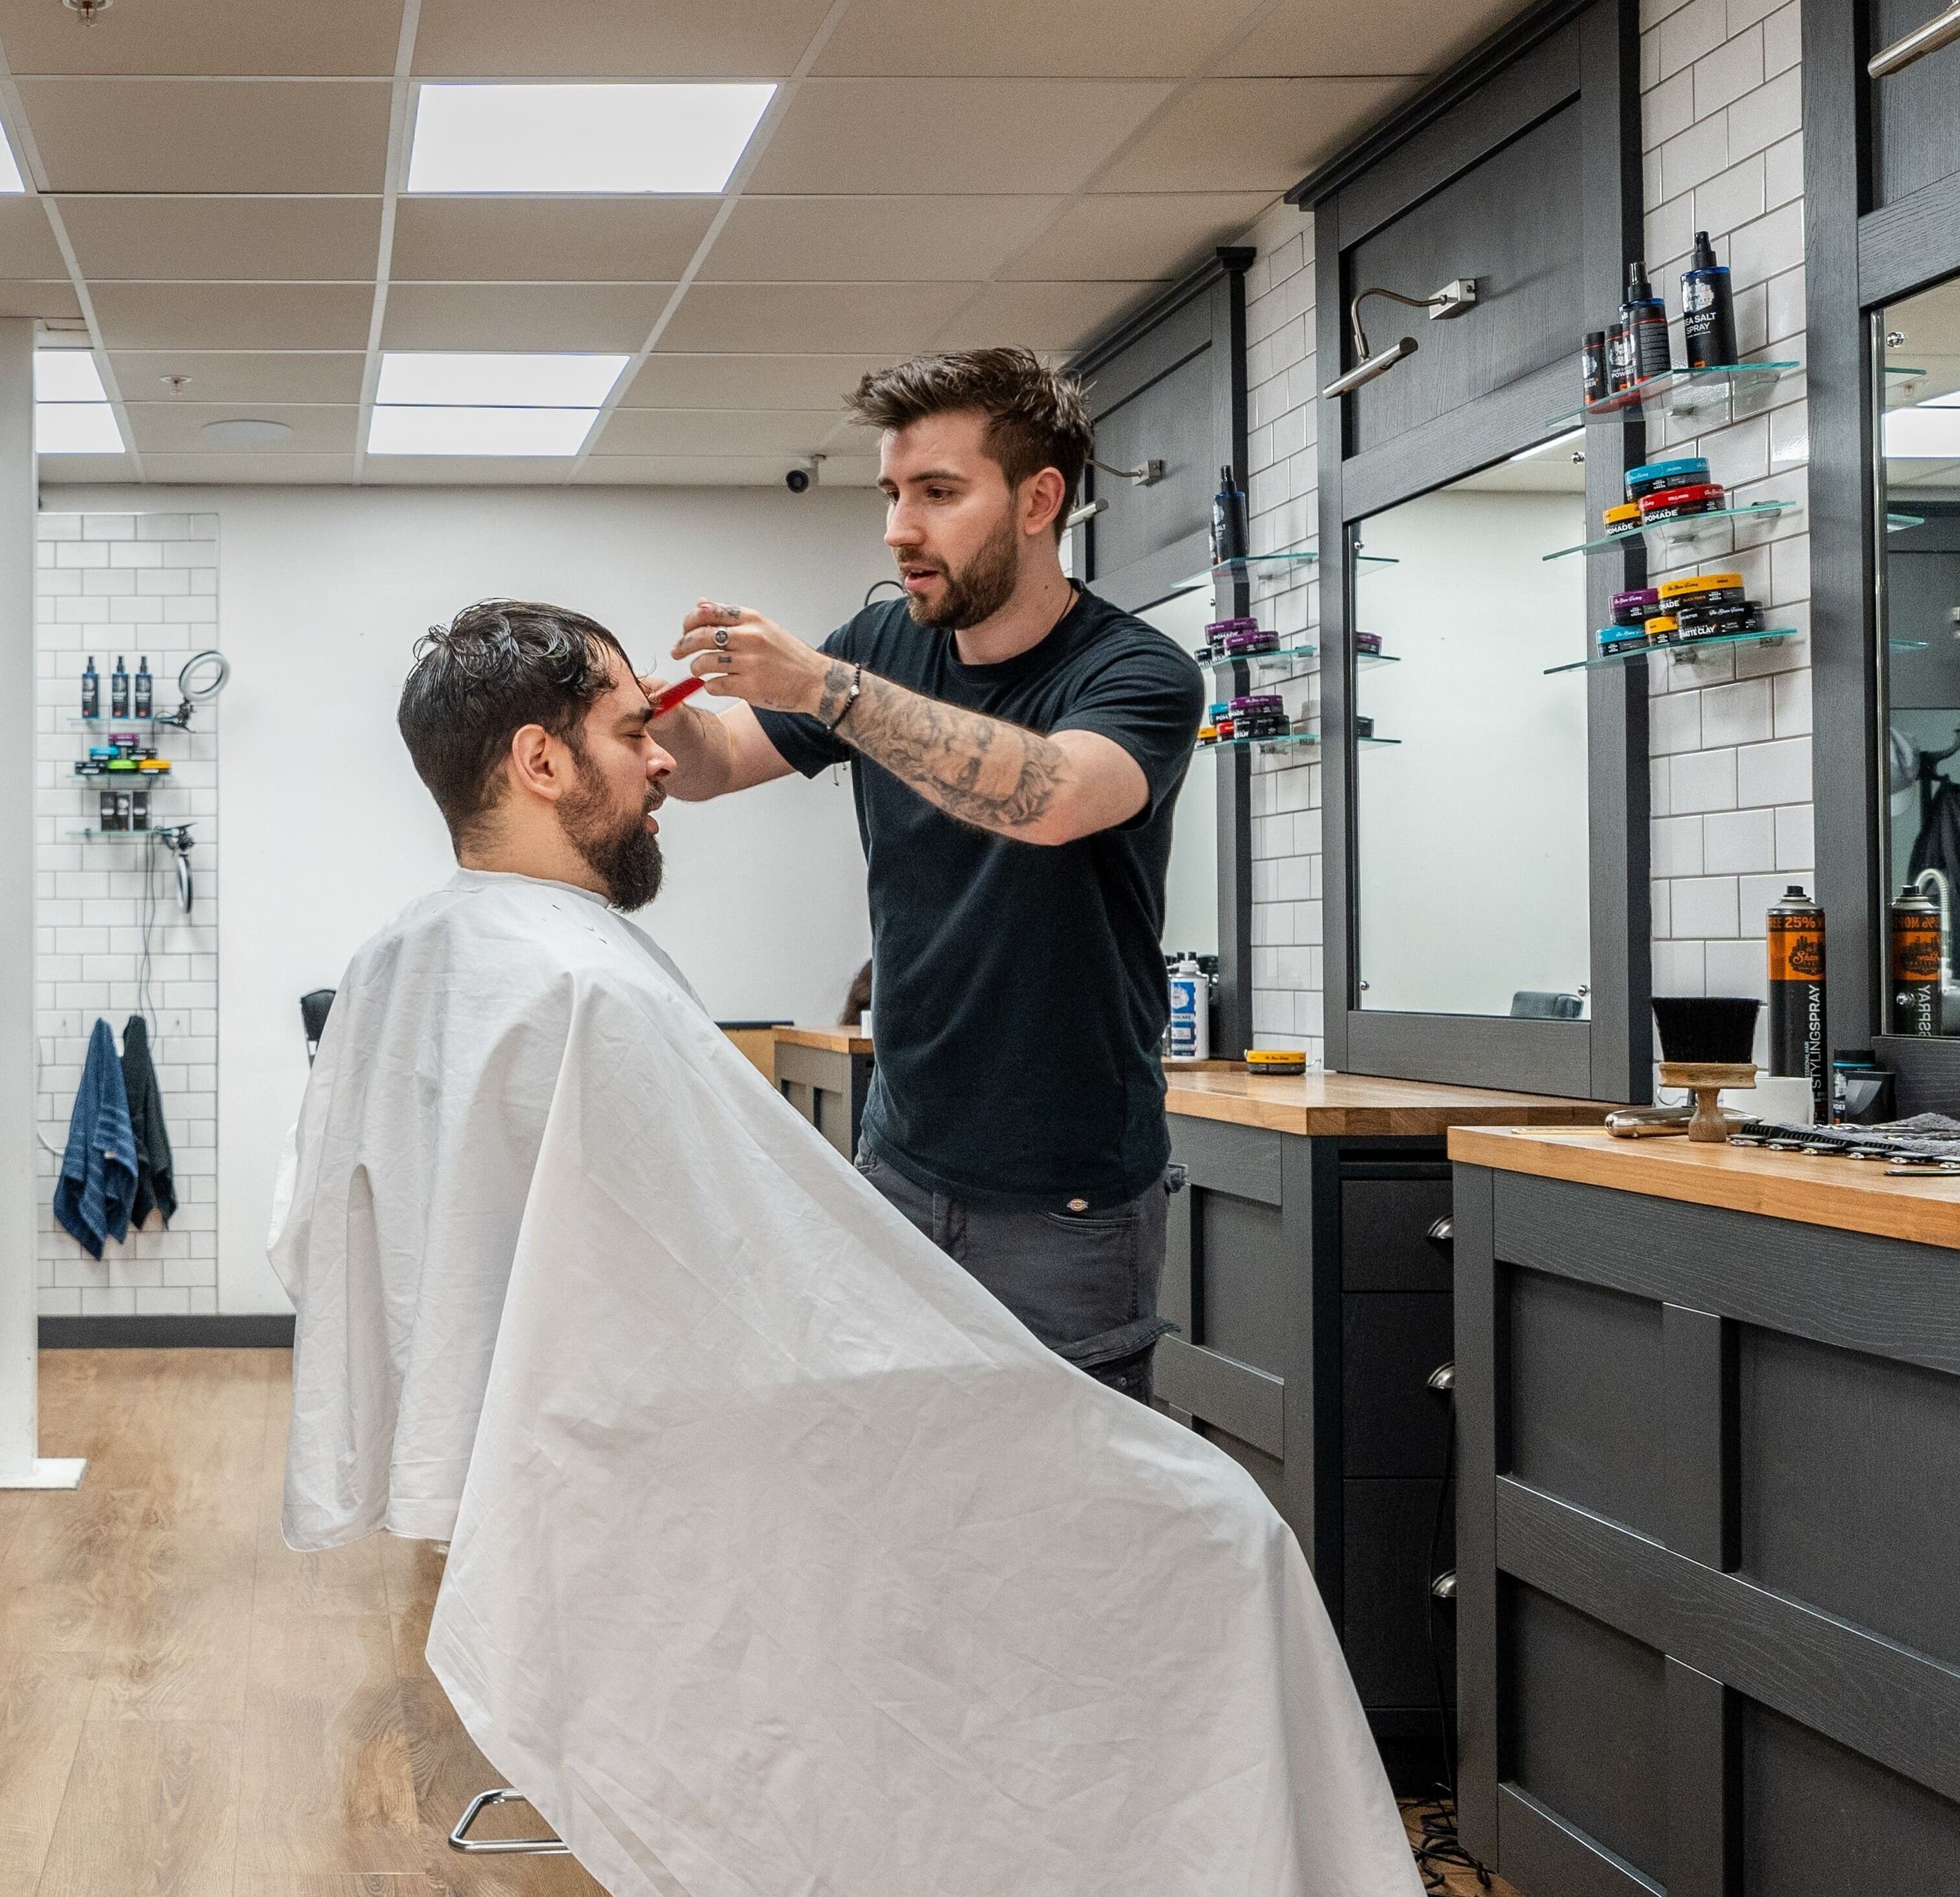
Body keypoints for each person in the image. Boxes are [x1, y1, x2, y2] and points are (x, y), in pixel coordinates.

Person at [268, 599, 1420, 1896]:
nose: (660, 763)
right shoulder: (587, 983)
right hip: (695, 1432)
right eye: (627, 732)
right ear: (541, 764)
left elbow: (318, 1235)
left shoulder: (413, 956)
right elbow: (741, 1295)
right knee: (1221, 1530)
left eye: (932, 490)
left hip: (621, 1424)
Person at [651, 348, 1208, 1402]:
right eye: (894, 494)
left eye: (940, 493)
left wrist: (827, 686)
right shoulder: (881, 644)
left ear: (1040, 499)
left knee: (1064, 1512)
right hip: (901, 1159)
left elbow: (1048, 797)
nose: (900, 529)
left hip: (1068, 1200)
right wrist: (633, 723)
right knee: (907, 1492)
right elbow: (720, 762)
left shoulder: (1138, 672)